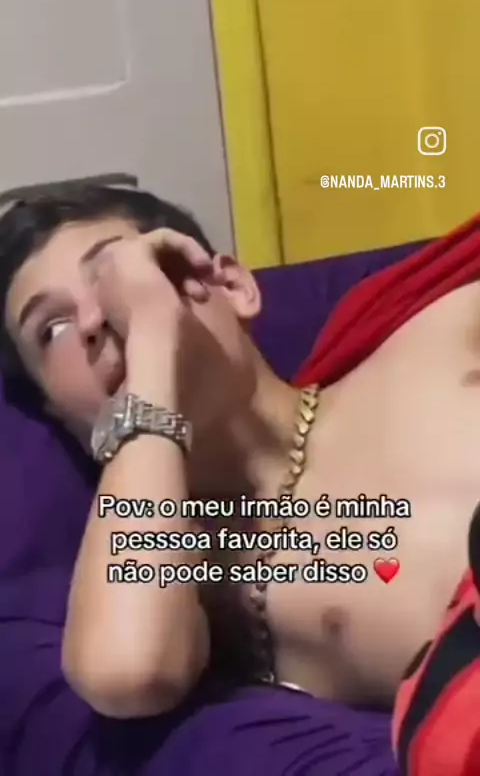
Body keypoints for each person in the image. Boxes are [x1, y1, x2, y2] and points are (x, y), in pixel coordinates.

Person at [0, 185, 478, 773]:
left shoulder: (434, 334)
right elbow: (127, 672)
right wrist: (152, 342)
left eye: (121, 271)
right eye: (53, 329)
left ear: (231, 286)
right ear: (60, 415)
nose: (98, 319)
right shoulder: (197, 581)